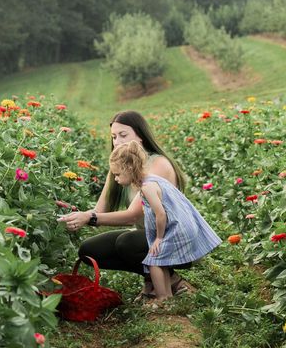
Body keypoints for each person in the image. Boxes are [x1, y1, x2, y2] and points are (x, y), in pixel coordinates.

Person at [57, 110, 193, 299]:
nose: (118, 142)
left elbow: (133, 216)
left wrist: (89, 217)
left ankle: (171, 283)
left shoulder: (157, 164)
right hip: (149, 235)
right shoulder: (121, 167)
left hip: (173, 237)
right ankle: (152, 281)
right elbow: (99, 211)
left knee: (127, 243)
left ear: (140, 136)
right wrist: (74, 212)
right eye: (114, 137)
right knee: (89, 250)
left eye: (123, 135)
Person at [110, 141, 222, 303]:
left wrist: (159, 238)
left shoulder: (147, 187)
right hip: (181, 226)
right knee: (160, 261)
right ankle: (168, 297)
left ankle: (162, 299)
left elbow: (160, 214)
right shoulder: (152, 179)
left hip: (176, 229)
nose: (115, 178)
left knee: (154, 261)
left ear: (128, 169)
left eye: (117, 174)